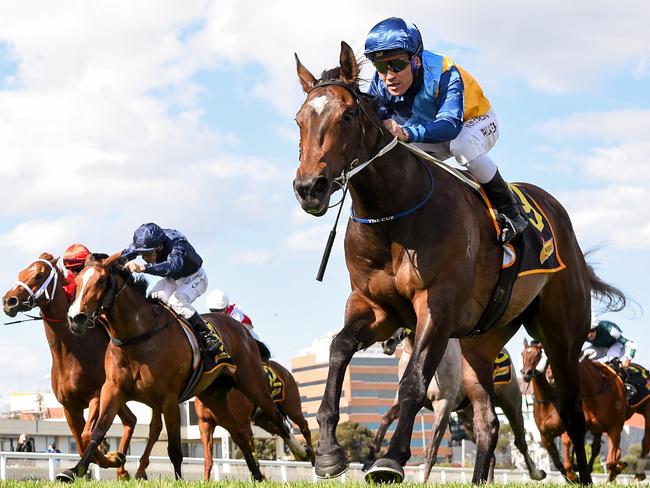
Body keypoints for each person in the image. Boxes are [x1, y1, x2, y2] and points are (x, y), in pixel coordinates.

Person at [364, 17, 528, 244]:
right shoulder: (379, 82)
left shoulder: (445, 72)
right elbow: (378, 117)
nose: (389, 75)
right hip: (430, 130)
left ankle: (510, 210)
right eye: (381, 66)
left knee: (461, 146)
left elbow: (450, 127)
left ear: (416, 60)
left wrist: (407, 133)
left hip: (473, 122)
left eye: (397, 65)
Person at [121, 223, 221, 354]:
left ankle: (208, 335)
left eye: (148, 254)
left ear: (160, 247)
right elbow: (127, 254)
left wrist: (143, 268)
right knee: (151, 300)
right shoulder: (148, 241)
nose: (145, 258)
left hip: (195, 277)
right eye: (142, 255)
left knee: (177, 301)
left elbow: (174, 266)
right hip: (173, 280)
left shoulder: (177, 244)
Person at [206, 289, 271, 359]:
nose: (216, 313)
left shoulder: (236, 315)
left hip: (249, 341)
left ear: (227, 306)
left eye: (220, 310)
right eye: (213, 310)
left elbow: (234, 335)